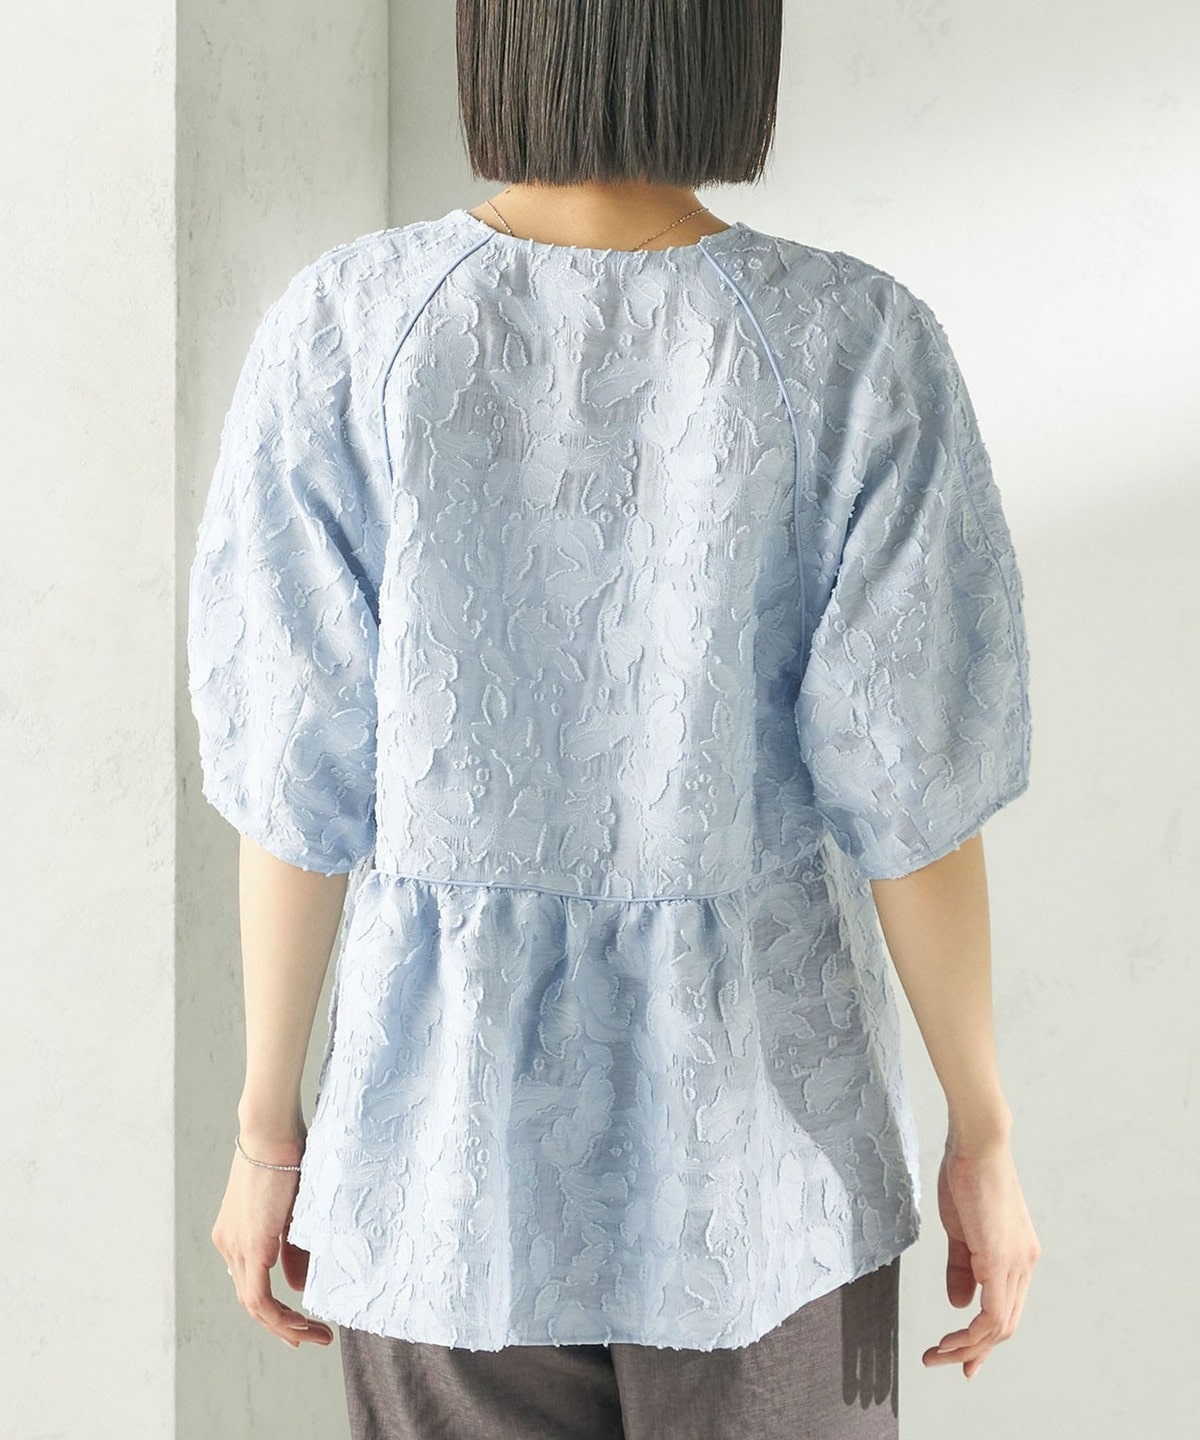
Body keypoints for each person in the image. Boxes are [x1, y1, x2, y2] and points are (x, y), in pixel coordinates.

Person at [188, 1, 1042, 1435]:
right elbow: (914, 794)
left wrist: (268, 1130)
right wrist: (985, 1135)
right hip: (766, 1169)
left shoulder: (346, 327)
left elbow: (295, 773)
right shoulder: (853, 343)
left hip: (437, 1153)